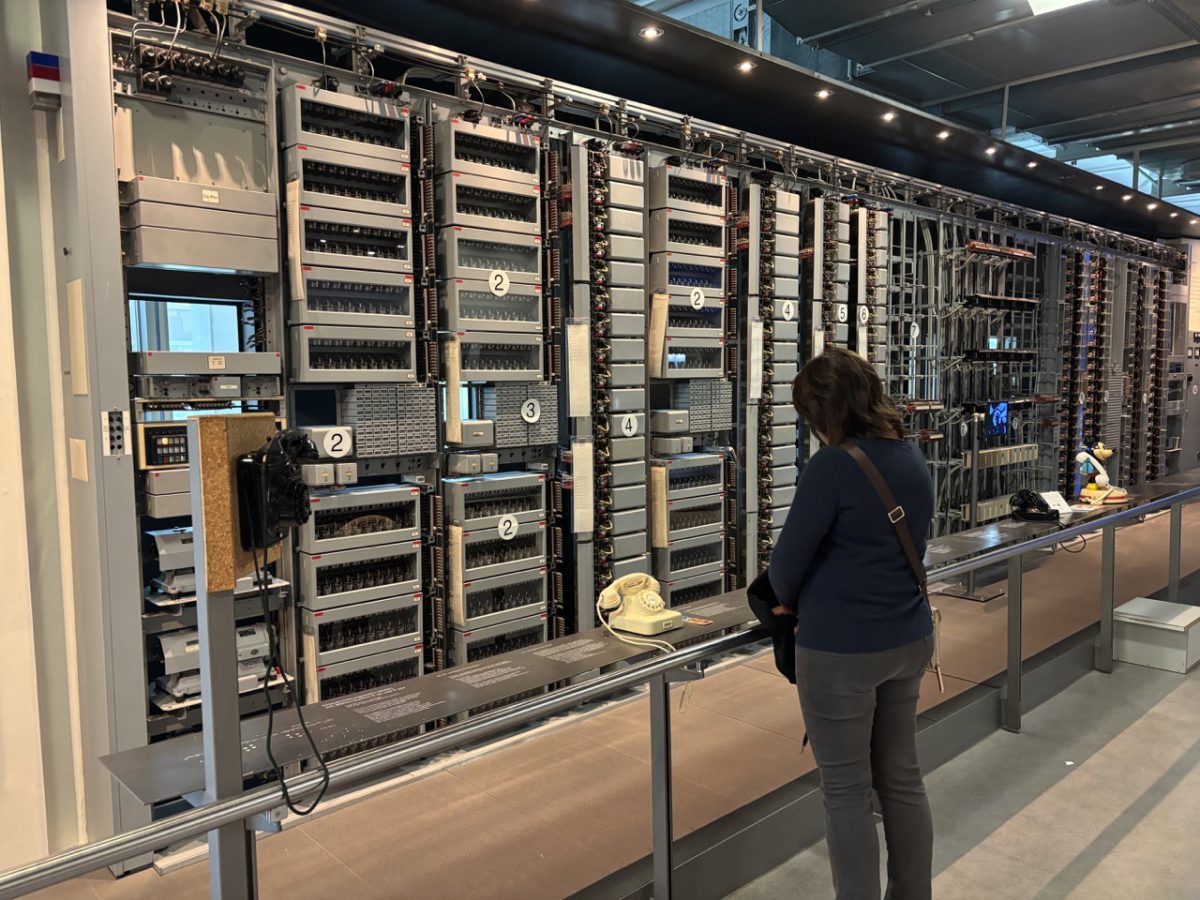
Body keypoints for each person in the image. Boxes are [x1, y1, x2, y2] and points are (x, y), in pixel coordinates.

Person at [768, 347, 935, 900]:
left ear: (824, 411)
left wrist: (787, 601)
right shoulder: (910, 456)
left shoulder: (833, 466)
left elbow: (785, 568)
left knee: (846, 792)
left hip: (842, 651)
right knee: (902, 780)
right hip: (908, 637)